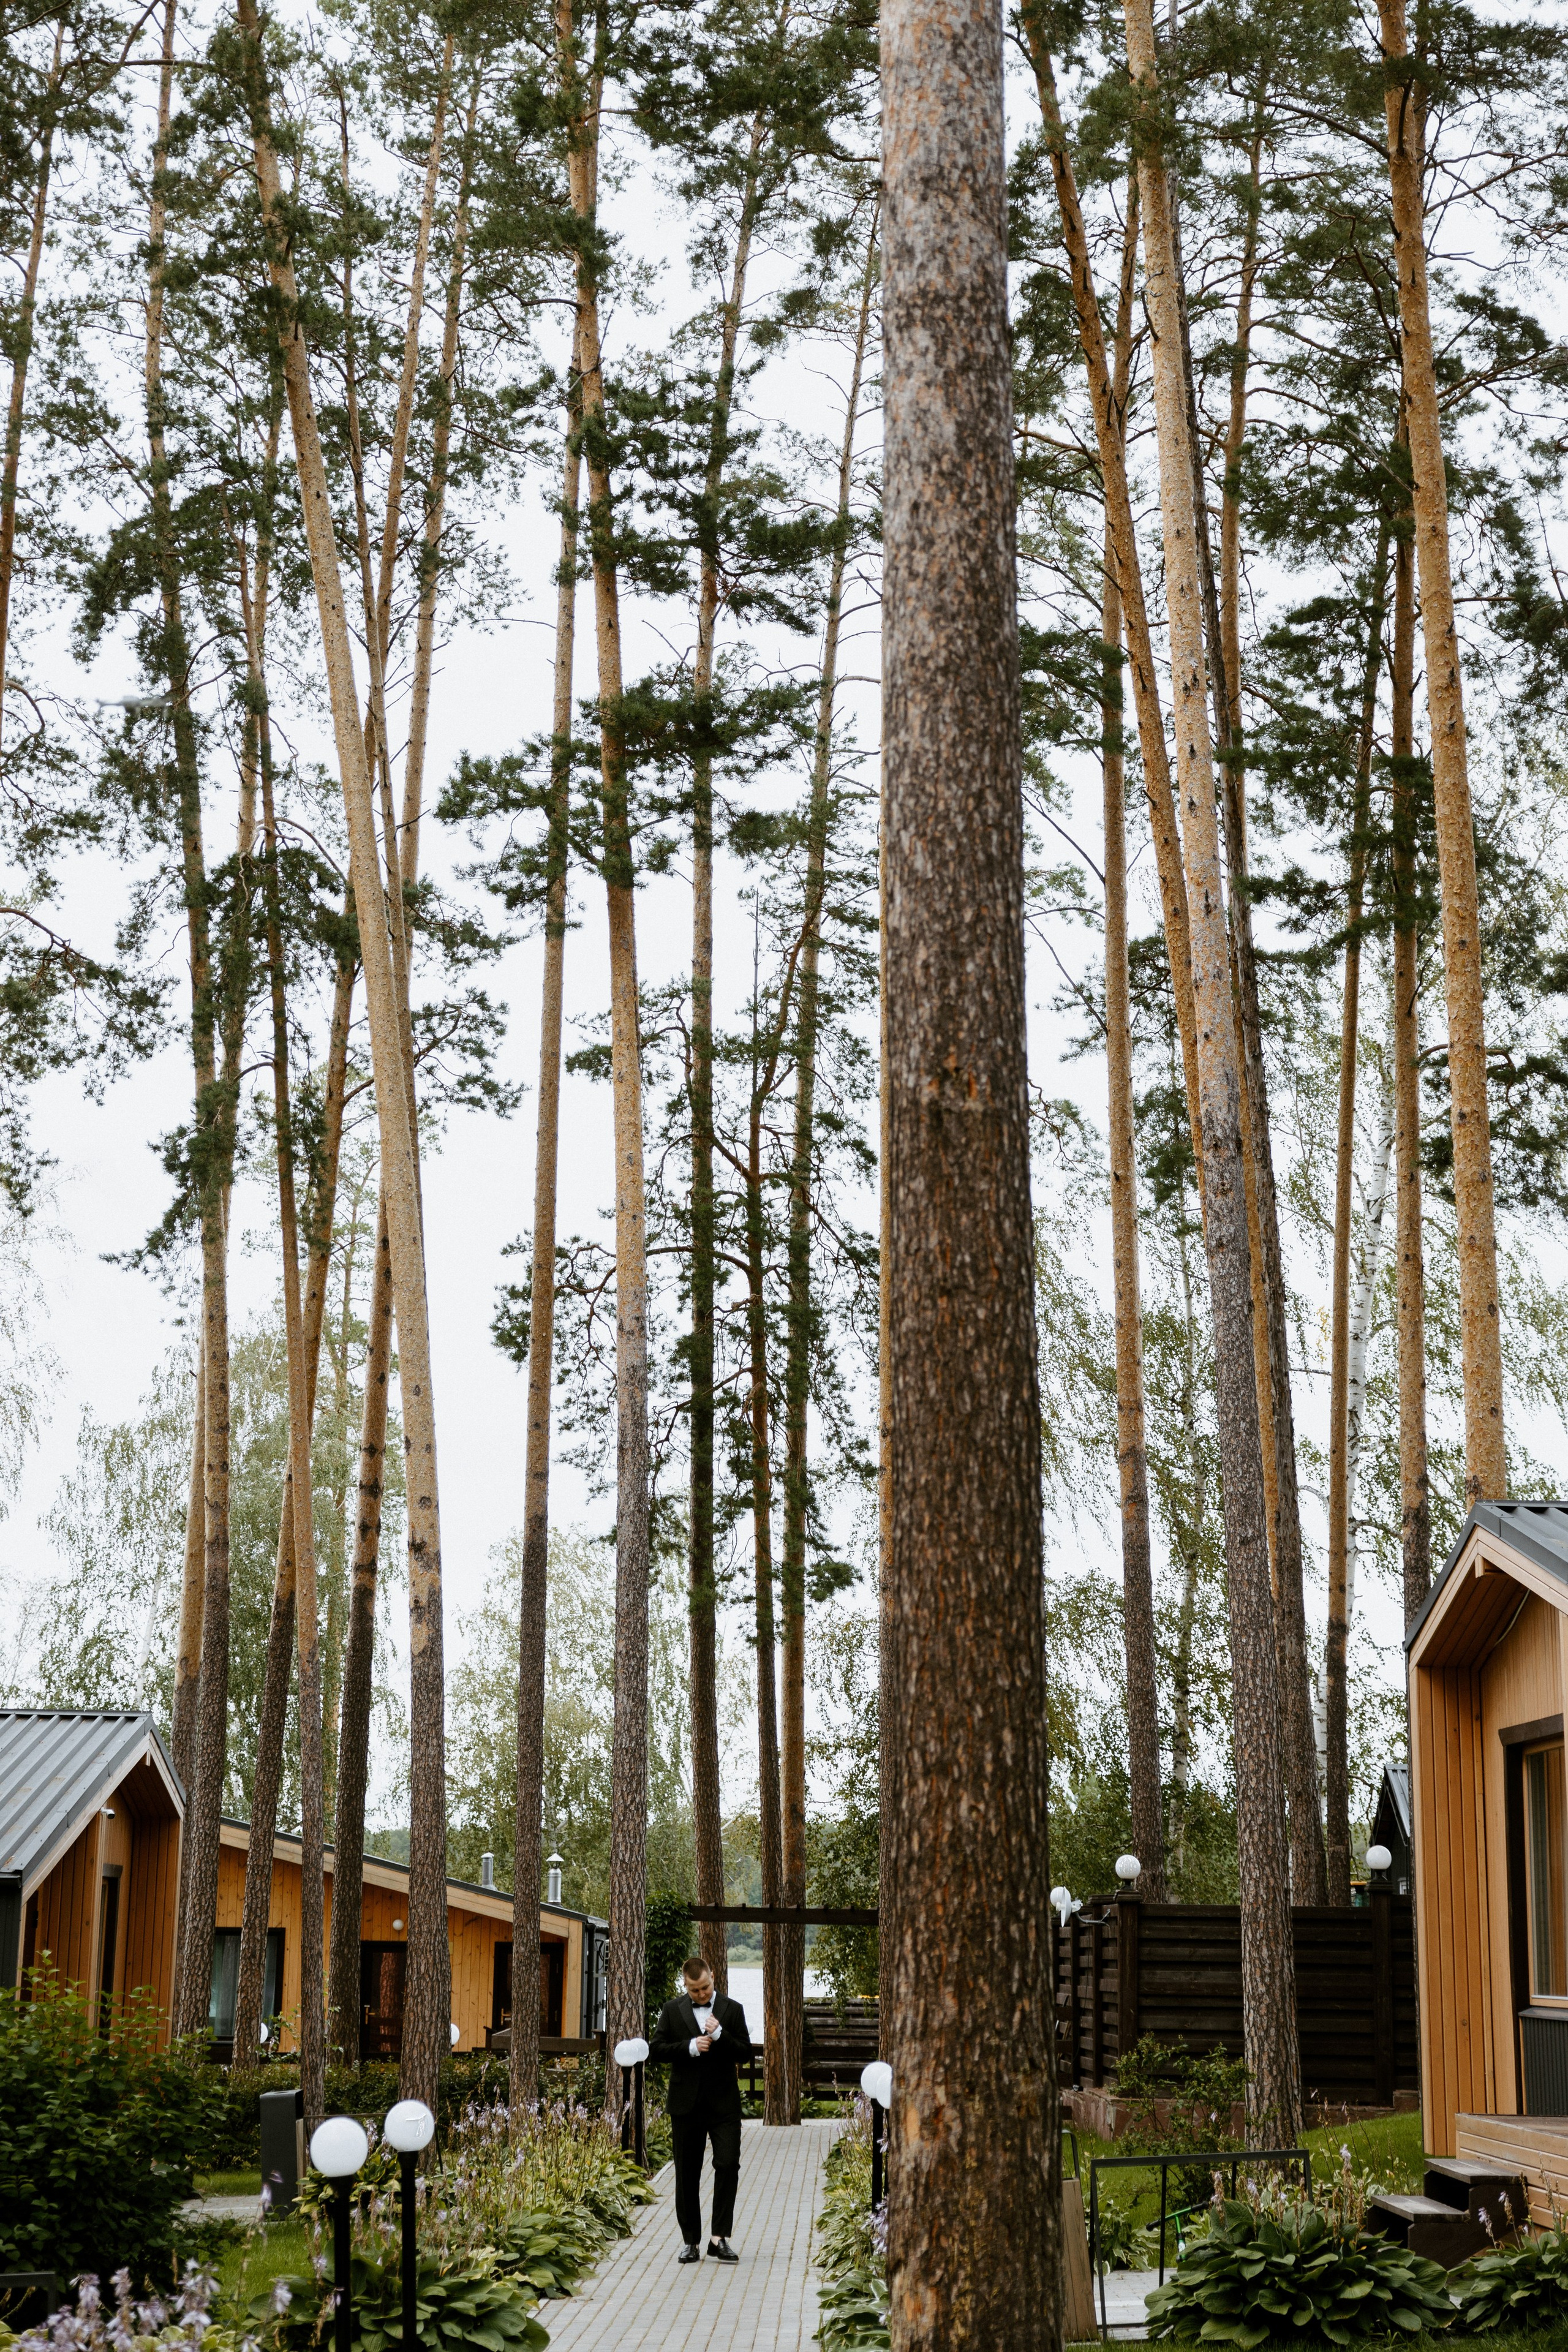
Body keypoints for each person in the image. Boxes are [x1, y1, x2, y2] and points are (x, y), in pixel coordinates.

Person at [649, 1953, 755, 2263]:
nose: (702, 1995)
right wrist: (690, 2048)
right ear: (686, 1986)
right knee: (687, 2174)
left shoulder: (732, 2010)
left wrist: (721, 2036)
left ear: (712, 1977)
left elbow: (746, 2053)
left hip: (724, 2105)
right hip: (686, 2106)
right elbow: (656, 2050)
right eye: (695, 1991)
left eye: (706, 1988)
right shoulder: (672, 2010)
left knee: (727, 2164)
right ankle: (691, 2241)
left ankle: (719, 2238)